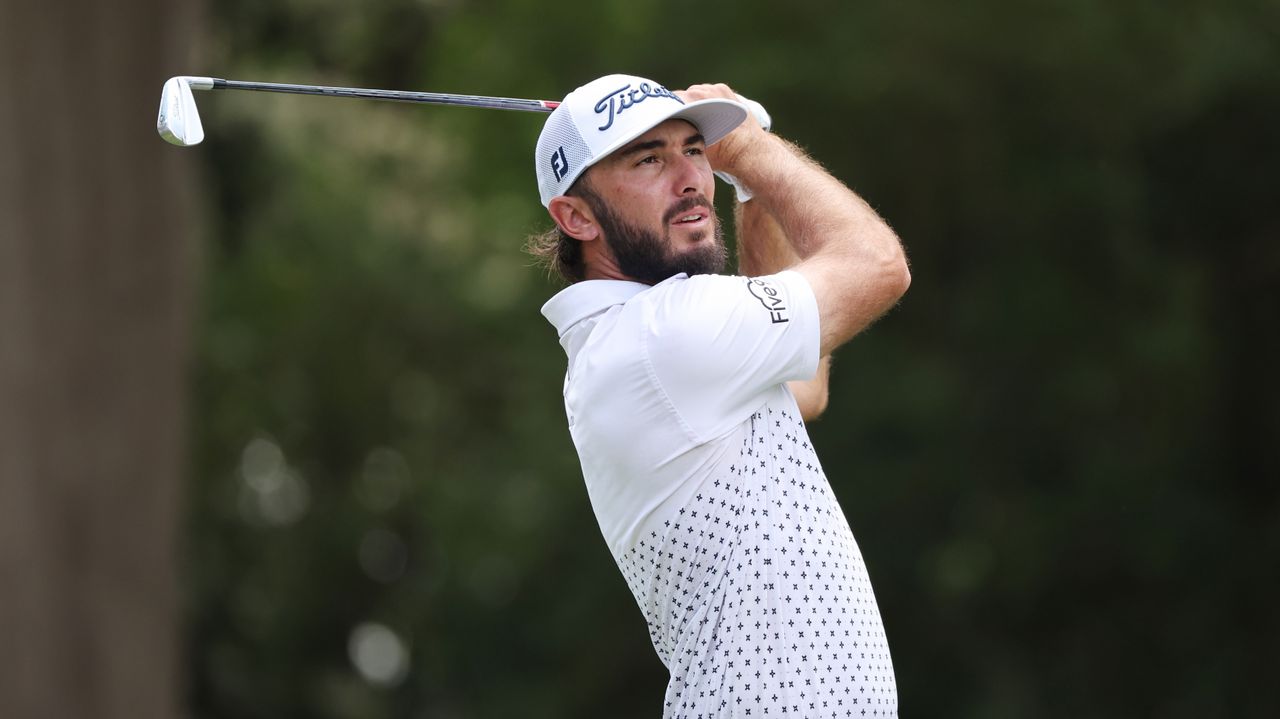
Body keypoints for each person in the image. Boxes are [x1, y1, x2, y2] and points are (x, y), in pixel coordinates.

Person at [526, 73, 910, 718]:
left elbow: (800, 387)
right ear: (576, 217)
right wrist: (752, 148)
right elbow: (878, 265)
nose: (690, 179)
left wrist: (749, 181)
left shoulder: (641, 337)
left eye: (695, 150)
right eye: (649, 159)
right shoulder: (665, 331)